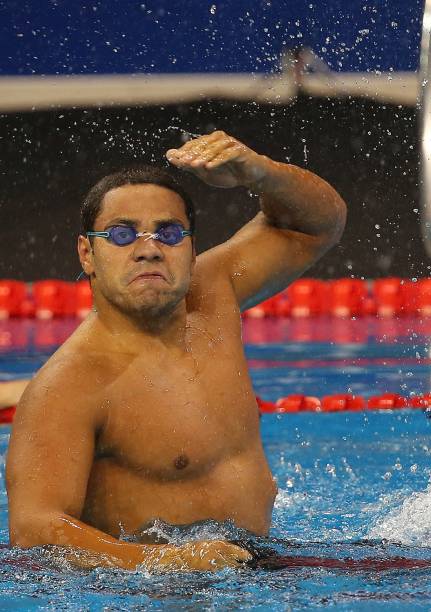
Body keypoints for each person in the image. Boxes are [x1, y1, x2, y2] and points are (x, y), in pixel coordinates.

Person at [5, 131, 347, 571]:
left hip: (262, 565)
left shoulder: (214, 292)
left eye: (168, 232)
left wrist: (258, 171)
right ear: (87, 253)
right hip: (157, 590)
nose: (149, 250)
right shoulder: (72, 384)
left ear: (191, 247)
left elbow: (319, 224)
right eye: (122, 234)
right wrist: (169, 561)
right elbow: (34, 528)